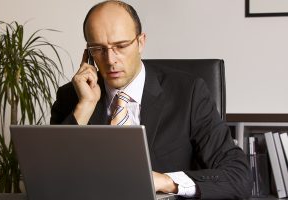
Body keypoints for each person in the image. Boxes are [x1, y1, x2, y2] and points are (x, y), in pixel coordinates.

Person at [50, 1, 252, 199]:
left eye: (120, 46)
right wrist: (85, 106)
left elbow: (238, 176)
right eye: (99, 49)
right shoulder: (73, 98)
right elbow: (50, 179)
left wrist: (167, 182)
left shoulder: (188, 93)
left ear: (140, 42)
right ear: (88, 54)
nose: (111, 60)